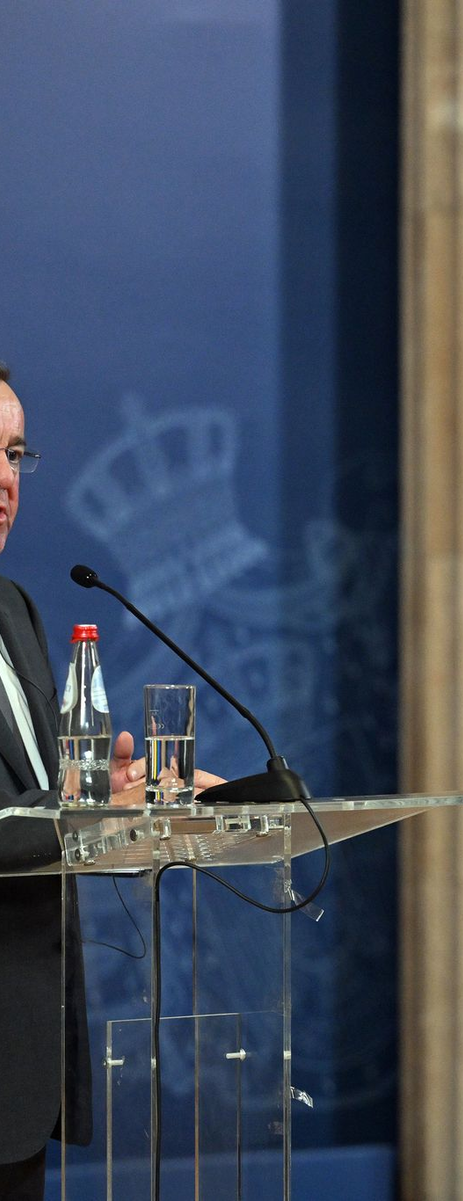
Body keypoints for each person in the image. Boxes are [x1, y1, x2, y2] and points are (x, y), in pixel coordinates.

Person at [0, 363, 216, 1197]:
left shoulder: (16, 608)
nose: (5, 479)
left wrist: (112, 796)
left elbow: (44, 794)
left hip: (22, 1062)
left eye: (17, 453)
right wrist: (82, 817)